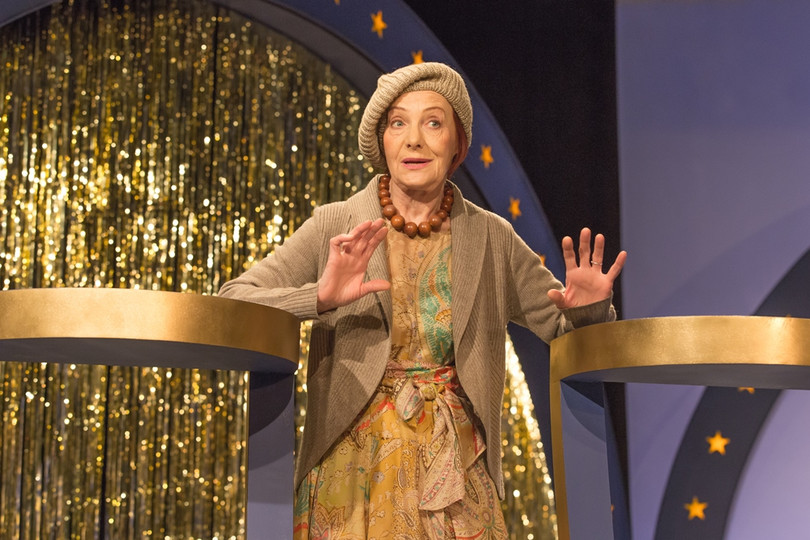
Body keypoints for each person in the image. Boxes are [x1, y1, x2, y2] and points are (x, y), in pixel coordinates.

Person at [219, 62, 626, 539]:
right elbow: (235, 301)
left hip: (455, 475)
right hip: (351, 476)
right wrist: (321, 298)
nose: (413, 140)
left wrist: (588, 309)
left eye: (433, 122)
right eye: (398, 123)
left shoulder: (491, 237)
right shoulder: (337, 223)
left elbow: (565, 333)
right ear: (382, 142)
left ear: (457, 145)